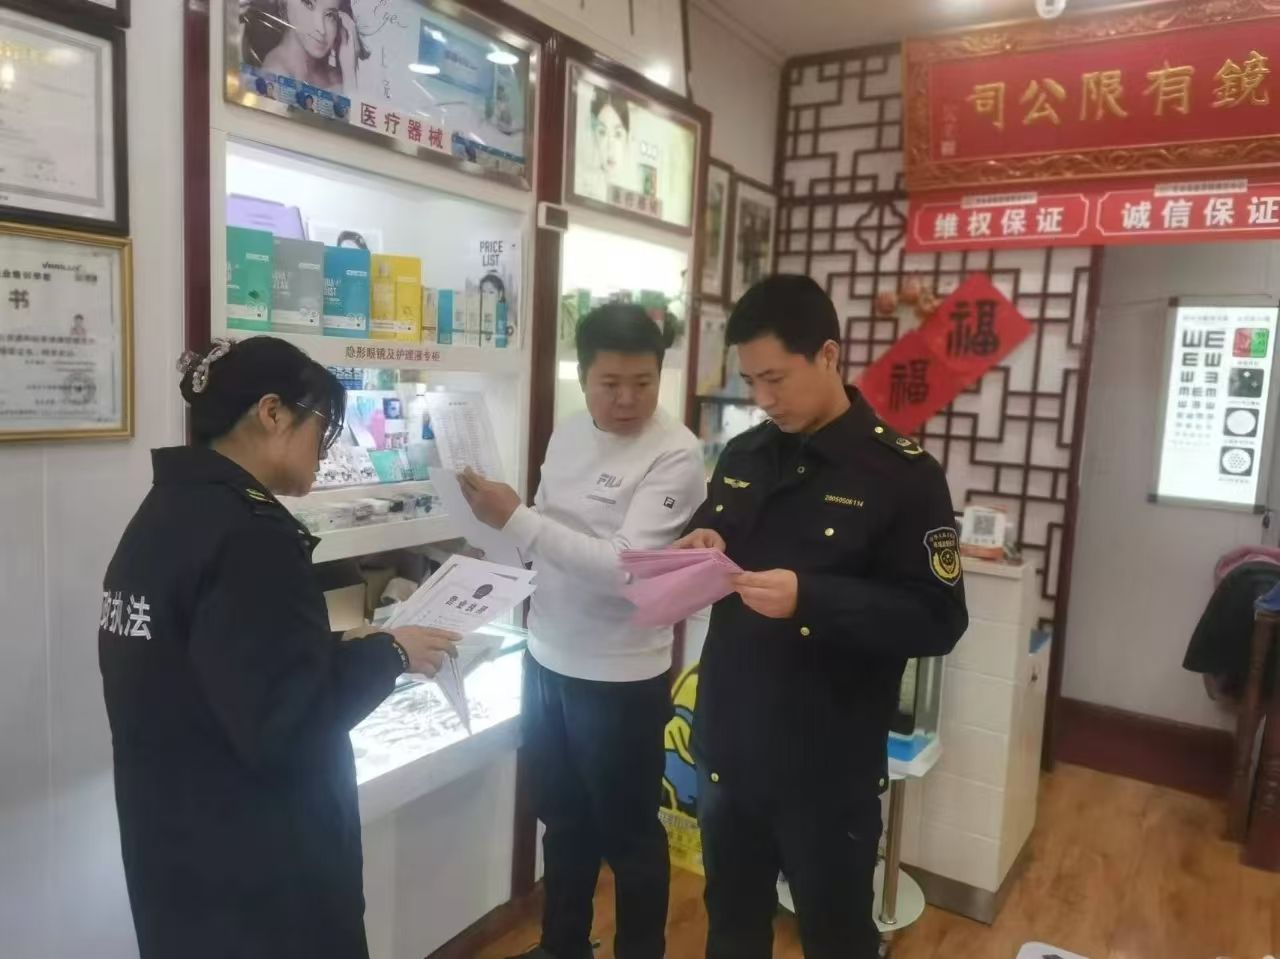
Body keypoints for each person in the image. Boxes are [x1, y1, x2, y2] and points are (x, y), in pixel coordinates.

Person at [99, 337, 459, 959]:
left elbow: (217, 657)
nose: (329, 447)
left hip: (176, 854)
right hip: (262, 879)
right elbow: (288, 723)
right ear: (272, 413)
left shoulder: (168, 510)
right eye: (324, 425)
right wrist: (391, 654)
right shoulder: (251, 535)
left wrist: (340, 642)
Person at [676, 275, 969, 959]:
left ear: (829, 355)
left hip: (827, 770)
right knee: (731, 931)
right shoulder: (744, 455)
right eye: (752, 380)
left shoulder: (904, 475)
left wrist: (812, 599)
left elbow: (938, 618)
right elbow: (715, 537)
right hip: (730, 752)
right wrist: (700, 543)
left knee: (837, 939)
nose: (763, 398)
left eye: (776, 378)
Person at [457, 303, 707, 959]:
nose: (626, 399)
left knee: (629, 835)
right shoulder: (568, 433)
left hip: (621, 675)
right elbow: (547, 533)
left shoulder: (677, 453)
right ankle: (562, 945)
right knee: (562, 817)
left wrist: (517, 520)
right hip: (546, 655)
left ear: (660, 374)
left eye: (643, 382)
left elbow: (625, 567)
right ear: (583, 374)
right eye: (609, 383)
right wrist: (499, 547)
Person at [254, 0, 363, 93]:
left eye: (330, 15)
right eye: (309, 4)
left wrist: (348, 70)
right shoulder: (275, 75)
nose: (321, 29)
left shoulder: (334, 75)